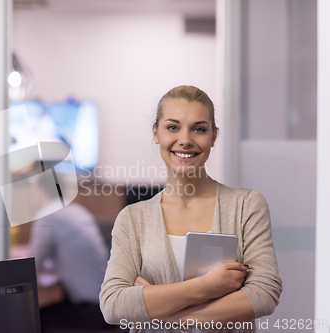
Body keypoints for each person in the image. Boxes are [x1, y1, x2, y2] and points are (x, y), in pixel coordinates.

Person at [99, 85, 282, 333]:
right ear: (156, 132)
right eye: (173, 127)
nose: (185, 140)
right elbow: (113, 306)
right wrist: (205, 287)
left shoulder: (246, 205)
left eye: (199, 129)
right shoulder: (133, 219)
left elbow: (263, 294)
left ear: (213, 136)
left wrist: (155, 308)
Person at [28, 173, 112, 332]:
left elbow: (30, 267)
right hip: (106, 304)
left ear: (40, 191)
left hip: (92, 310)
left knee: (34, 319)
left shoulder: (48, 217)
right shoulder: (78, 211)